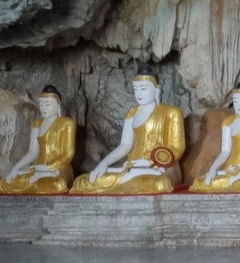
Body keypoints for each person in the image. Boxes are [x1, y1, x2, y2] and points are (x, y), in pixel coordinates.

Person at [71, 65, 185, 194]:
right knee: (84, 181)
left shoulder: (171, 112)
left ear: (156, 89)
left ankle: (128, 179)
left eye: (143, 88)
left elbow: (176, 148)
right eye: (136, 89)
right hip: (133, 166)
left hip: (159, 169)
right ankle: (126, 179)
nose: (139, 93)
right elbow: (125, 145)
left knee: (153, 183)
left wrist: (152, 162)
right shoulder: (132, 113)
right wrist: (103, 164)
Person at [0, 85, 76, 194]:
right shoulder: (37, 124)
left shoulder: (67, 123)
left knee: (50, 185)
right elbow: (32, 152)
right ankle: (36, 177)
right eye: (41, 104)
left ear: (57, 105)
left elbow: (67, 155)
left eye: (48, 104)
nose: (44, 108)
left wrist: (47, 168)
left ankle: (42, 177)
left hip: (58, 170)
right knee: (5, 183)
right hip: (37, 169)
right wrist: (15, 169)